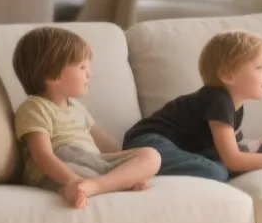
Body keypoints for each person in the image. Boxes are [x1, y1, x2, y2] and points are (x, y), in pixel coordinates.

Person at [122, 30, 262, 180]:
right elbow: (233, 159)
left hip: (180, 147)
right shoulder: (218, 100)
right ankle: (132, 167)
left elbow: (228, 151)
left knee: (227, 159)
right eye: (260, 67)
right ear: (228, 76)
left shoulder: (235, 106)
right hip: (148, 143)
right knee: (217, 172)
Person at [11, 26, 161, 208]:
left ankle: (99, 185)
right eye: (82, 67)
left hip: (93, 161)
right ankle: (93, 186)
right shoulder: (34, 107)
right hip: (60, 165)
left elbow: (107, 146)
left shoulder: (78, 108)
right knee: (80, 171)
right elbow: (41, 154)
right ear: (52, 75)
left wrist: (127, 166)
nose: (89, 74)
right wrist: (72, 180)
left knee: (151, 155)